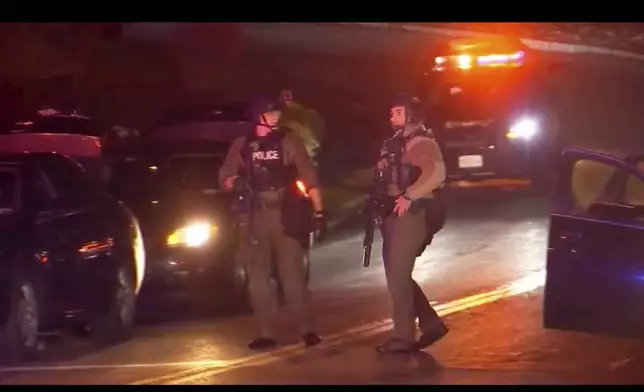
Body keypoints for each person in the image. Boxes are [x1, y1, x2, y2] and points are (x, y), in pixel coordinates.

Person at [218, 96, 327, 351]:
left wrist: (319, 212)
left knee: (293, 276)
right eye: (271, 114)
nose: (277, 118)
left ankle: (307, 329)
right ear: (258, 117)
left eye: (278, 113)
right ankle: (266, 332)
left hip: (285, 214)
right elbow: (224, 176)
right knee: (257, 277)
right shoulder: (243, 145)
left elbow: (309, 177)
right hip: (254, 216)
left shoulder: (289, 140)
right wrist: (235, 183)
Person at [374, 93, 449, 354]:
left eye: (397, 111)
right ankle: (430, 324)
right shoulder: (396, 142)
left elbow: (437, 173)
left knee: (397, 277)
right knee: (397, 275)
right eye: (392, 111)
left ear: (411, 114)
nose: (391, 115)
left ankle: (403, 337)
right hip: (393, 213)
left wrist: (409, 195)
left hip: (413, 213)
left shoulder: (420, 142)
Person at [277, 88, 326, 163]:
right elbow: (282, 119)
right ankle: (312, 146)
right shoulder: (281, 108)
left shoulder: (296, 106)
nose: (287, 98)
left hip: (300, 125)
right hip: (285, 125)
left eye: (288, 95)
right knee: (295, 125)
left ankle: (313, 148)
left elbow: (303, 113)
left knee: (309, 119)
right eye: (285, 96)